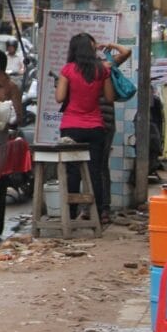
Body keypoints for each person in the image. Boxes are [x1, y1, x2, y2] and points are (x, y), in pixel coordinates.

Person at [55, 33, 115, 223]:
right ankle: (96, 213)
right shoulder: (101, 71)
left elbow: (59, 98)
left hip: (71, 127)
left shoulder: (68, 70)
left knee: (73, 172)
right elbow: (110, 98)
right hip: (95, 127)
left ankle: (71, 214)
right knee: (94, 171)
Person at [99, 40, 132, 221]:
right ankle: (101, 208)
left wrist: (110, 45)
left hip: (102, 122)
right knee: (99, 166)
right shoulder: (104, 67)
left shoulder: (105, 66)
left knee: (97, 166)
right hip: (101, 122)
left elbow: (126, 51)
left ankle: (101, 208)